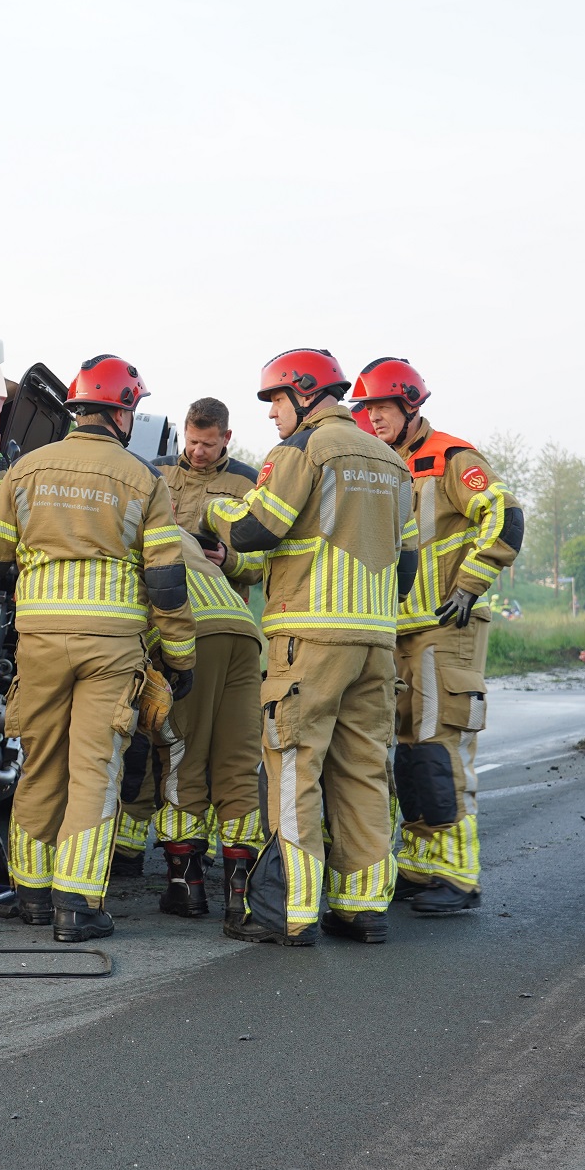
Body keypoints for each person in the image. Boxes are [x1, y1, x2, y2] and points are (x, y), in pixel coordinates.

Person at [0, 355, 197, 943]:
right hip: (111, 650)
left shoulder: (27, 470)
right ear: (123, 412)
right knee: (95, 771)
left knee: (40, 764)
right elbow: (167, 584)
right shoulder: (144, 480)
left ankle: (33, 896)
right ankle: (77, 906)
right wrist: (180, 658)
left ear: (76, 409)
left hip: (40, 646)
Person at [204, 348, 419, 946]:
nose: (272, 414)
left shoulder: (302, 450)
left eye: (275, 400)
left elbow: (255, 529)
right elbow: (406, 568)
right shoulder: (392, 462)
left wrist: (215, 510)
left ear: (303, 393)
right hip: (375, 641)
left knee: (295, 766)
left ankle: (291, 912)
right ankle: (362, 907)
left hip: (309, 638)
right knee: (364, 769)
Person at [355, 359, 523, 915]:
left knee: (438, 748)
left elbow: (505, 515)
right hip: (395, 630)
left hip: (446, 625)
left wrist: (470, 585)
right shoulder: (382, 465)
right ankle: (420, 865)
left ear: (411, 406)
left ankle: (456, 874)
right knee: (405, 753)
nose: (374, 418)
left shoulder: (452, 458)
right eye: (367, 409)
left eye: (383, 408)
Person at [111, 397, 268, 878]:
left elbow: (265, 559)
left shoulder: (248, 483)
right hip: (211, 630)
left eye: (208, 444)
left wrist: (231, 561)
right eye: (192, 442)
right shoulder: (155, 472)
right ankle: (132, 846)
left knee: (187, 749)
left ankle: (190, 871)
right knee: (163, 747)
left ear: (226, 438)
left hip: (198, 622)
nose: (198, 452)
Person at [142, 529, 267, 927]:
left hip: (192, 633)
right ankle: (240, 893)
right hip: (242, 630)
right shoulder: (174, 529)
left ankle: (186, 886)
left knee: (183, 757)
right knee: (239, 761)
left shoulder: (123, 522)